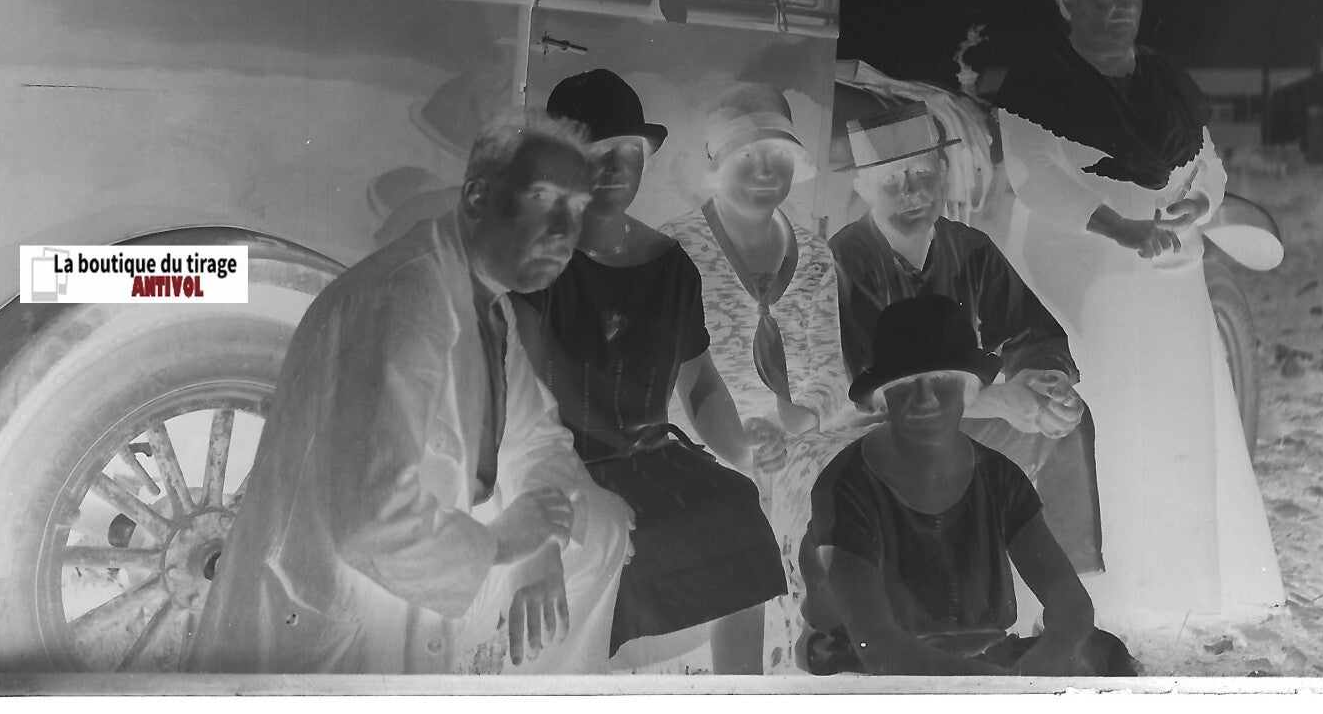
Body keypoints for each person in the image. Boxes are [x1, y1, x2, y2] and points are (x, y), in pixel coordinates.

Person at [185, 114, 632, 674]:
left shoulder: (487, 303)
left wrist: (539, 549)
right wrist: (501, 546)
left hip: (420, 580)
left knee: (601, 526)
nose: (564, 229)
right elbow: (374, 525)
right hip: (334, 623)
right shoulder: (406, 298)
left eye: (577, 206)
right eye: (541, 197)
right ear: (476, 196)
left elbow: (537, 439)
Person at [994, 0, 1283, 632]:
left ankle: (1180, 586)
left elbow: (1207, 162)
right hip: (1082, 266)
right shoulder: (1038, 79)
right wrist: (1122, 229)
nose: (1121, 5)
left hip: (1173, 272)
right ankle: (1110, 594)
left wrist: (1194, 207)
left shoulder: (1164, 77)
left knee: (1180, 426)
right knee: (1112, 424)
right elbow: (1037, 178)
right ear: (1069, 1)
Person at [516, 69, 787, 673]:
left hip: (649, 453)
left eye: (628, 153)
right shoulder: (536, 260)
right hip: (563, 461)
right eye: (594, 153)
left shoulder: (671, 266)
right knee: (615, 547)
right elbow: (523, 402)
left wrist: (740, 443)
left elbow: (701, 382)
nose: (613, 167)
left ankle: (738, 694)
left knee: (736, 506)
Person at [829, 100, 1103, 575]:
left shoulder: (969, 248)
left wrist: (1048, 386)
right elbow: (872, 390)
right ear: (863, 188)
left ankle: (1067, 597)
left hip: (959, 418)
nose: (911, 191)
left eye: (921, 172)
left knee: (1068, 427)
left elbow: (1029, 331)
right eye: (891, 178)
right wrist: (998, 402)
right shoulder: (848, 259)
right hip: (881, 429)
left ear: (943, 172)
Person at [799, 296, 1137, 677]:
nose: (923, 399)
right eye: (905, 383)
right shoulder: (847, 487)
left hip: (982, 660)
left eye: (941, 379)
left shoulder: (998, 477)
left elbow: (1070, 602)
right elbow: (878, 647)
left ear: (970, 391)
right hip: (873, 671)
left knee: (1102, 655)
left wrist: (1042, 662)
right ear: (882, 397)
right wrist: (999, 687)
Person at [660, 83, 865, 673]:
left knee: (855, 489)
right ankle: (740, 685)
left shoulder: (816, 256)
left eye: (777, 156)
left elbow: (830, 369)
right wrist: (740, 438)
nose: (763, 171)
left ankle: (836, 652)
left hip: (802, 430)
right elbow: (671, 375)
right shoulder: (675, 249)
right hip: (702, 434)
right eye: (746, 156)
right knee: (739, 513)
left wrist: (798, 420)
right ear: (714, 165)